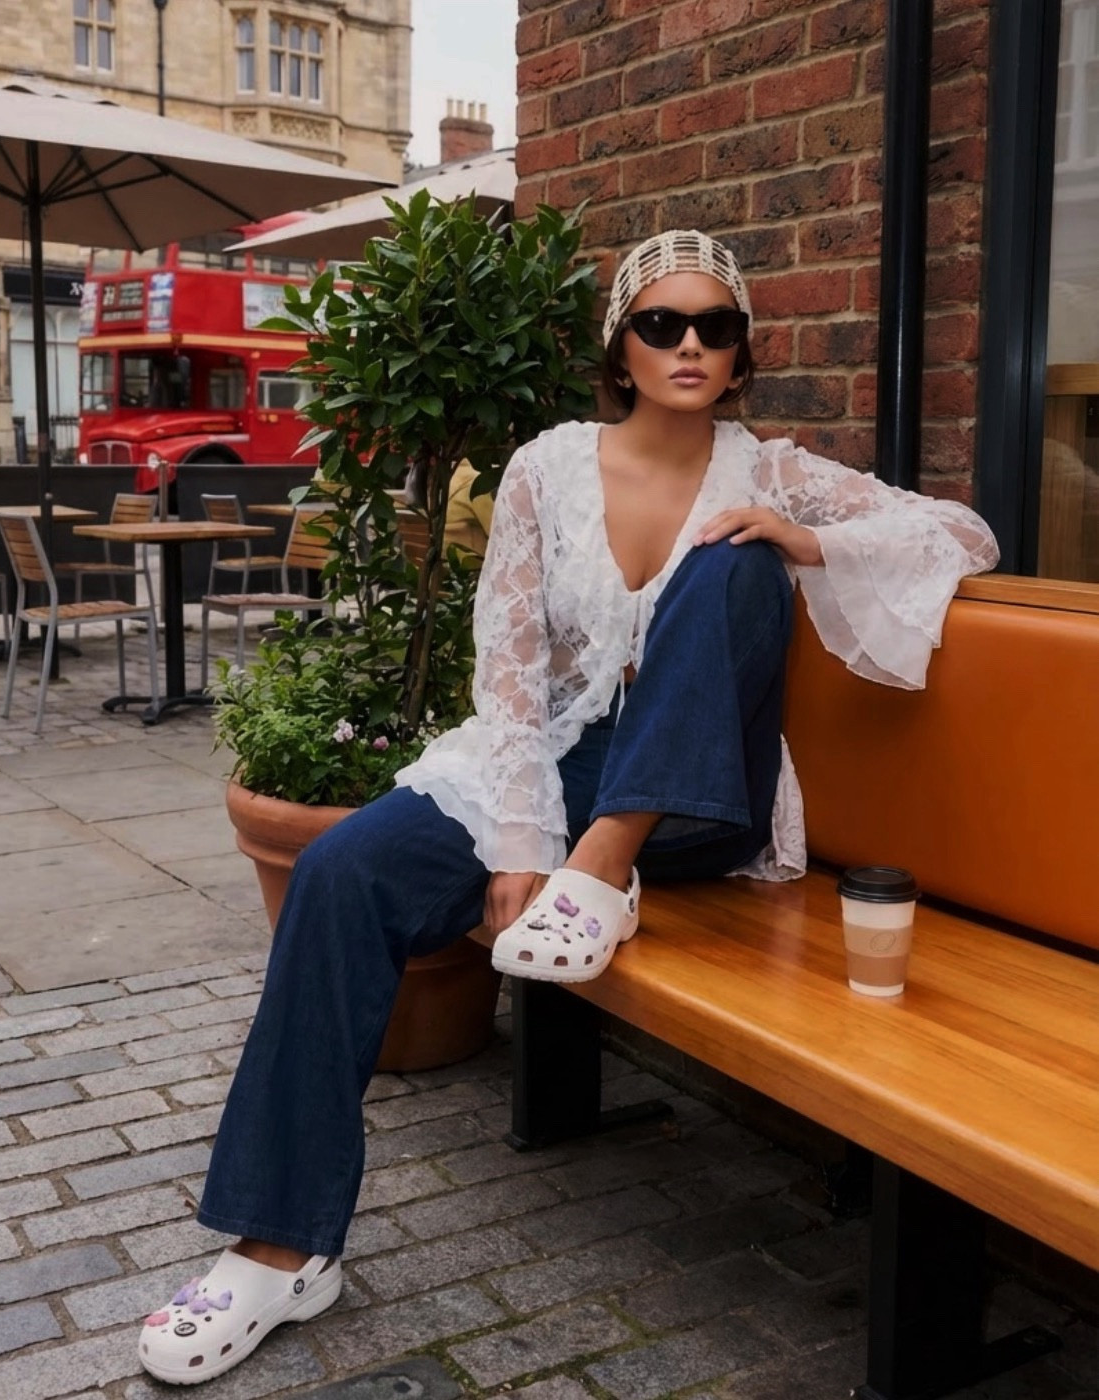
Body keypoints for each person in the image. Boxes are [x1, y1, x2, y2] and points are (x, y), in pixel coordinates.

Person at [137, 230, 999, 1384]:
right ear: (621, 347)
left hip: (706, 800)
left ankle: (608, 870)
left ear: (742, 354)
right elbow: (509, 667)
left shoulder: (773, 469)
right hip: (558, 767)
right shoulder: (546, 467)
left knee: (736, 564)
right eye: (661, 324)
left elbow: (966, 533)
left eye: (717, 327)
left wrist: (810, 537)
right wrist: (522, 842)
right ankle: (282, 1245)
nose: (690, 345)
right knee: (343, 873)